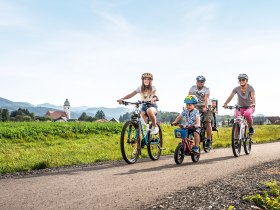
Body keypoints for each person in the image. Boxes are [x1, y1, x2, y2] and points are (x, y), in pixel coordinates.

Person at [189, 75, 212, 147]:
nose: (200, 83)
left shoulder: (206, 89)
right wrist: (188, 106)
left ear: (204, 83)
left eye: (202, 82)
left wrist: (205, 107)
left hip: (205, 106)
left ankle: (208, 139)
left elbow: (206, 98)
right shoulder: (193, 88)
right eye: (199, 82)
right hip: (196, 106)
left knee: (207, 122)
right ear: (196, 82)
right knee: (192, 122)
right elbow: (189, 97)